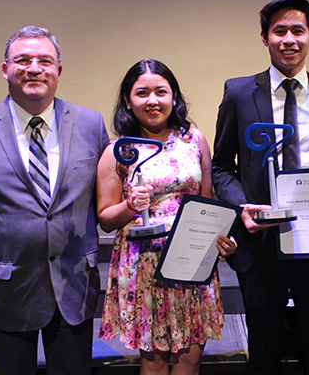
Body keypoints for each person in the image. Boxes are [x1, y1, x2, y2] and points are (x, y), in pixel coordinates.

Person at [0, 26, 109, 375]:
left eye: (44, 61)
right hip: (6, 287)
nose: (34, 68)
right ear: (5, 68)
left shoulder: (91, 124)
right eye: (22, 60)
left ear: (58, 71)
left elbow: (100, 197)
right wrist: (2, 244)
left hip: (74, 285)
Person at [212, 0, 309, 375]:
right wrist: (243, 207)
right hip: (261, 242)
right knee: (264, 348)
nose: (288, 39)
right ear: (264, 37)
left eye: (297, 30)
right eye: (279, 31)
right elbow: (222, 166)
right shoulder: (240, 92)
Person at [97, 59, 237, 375]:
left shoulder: (194, 139)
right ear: (128, 100)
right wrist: (131, 205)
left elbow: (206, 201)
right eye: (142, 93)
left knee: (190, 358)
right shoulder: (118, 150)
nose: (153, 100)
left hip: (191, 258)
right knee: (155, 362)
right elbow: (106, 218)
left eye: (161, 91)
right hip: (144, 265)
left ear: (174, 96)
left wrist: (220, 238)